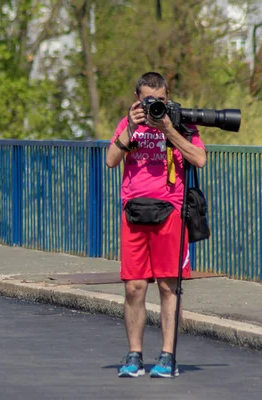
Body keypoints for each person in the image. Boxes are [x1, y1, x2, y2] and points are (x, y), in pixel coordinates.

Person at [106, 72, 207, 378]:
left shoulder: (181, 122)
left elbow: (199, 159)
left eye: (160, 100)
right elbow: (110, 160)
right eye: (148, 100)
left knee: (167, 285)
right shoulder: (129, 123)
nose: (154, 106)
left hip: (170, 213)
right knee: (134, 287)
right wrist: (133, 127)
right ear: (137, 98)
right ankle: (134, 355)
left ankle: (167, 356)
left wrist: (169, 129)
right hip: (134, 213)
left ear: (167, 96)